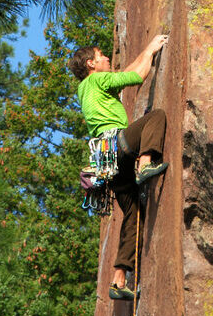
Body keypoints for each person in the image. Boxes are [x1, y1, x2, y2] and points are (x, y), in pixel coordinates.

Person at [68, 34, 169, 301]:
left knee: (133, 214)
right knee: (155, 117)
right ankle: (146, 163)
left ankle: (119, 278)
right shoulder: (98, 79)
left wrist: (145, 52)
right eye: (101, 56)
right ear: (91, 64)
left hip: (107, 167)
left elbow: (126, 72)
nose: (107, 59)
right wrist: (151, 49)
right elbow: (136, 77)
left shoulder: (86, 88)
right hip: (118, 148)